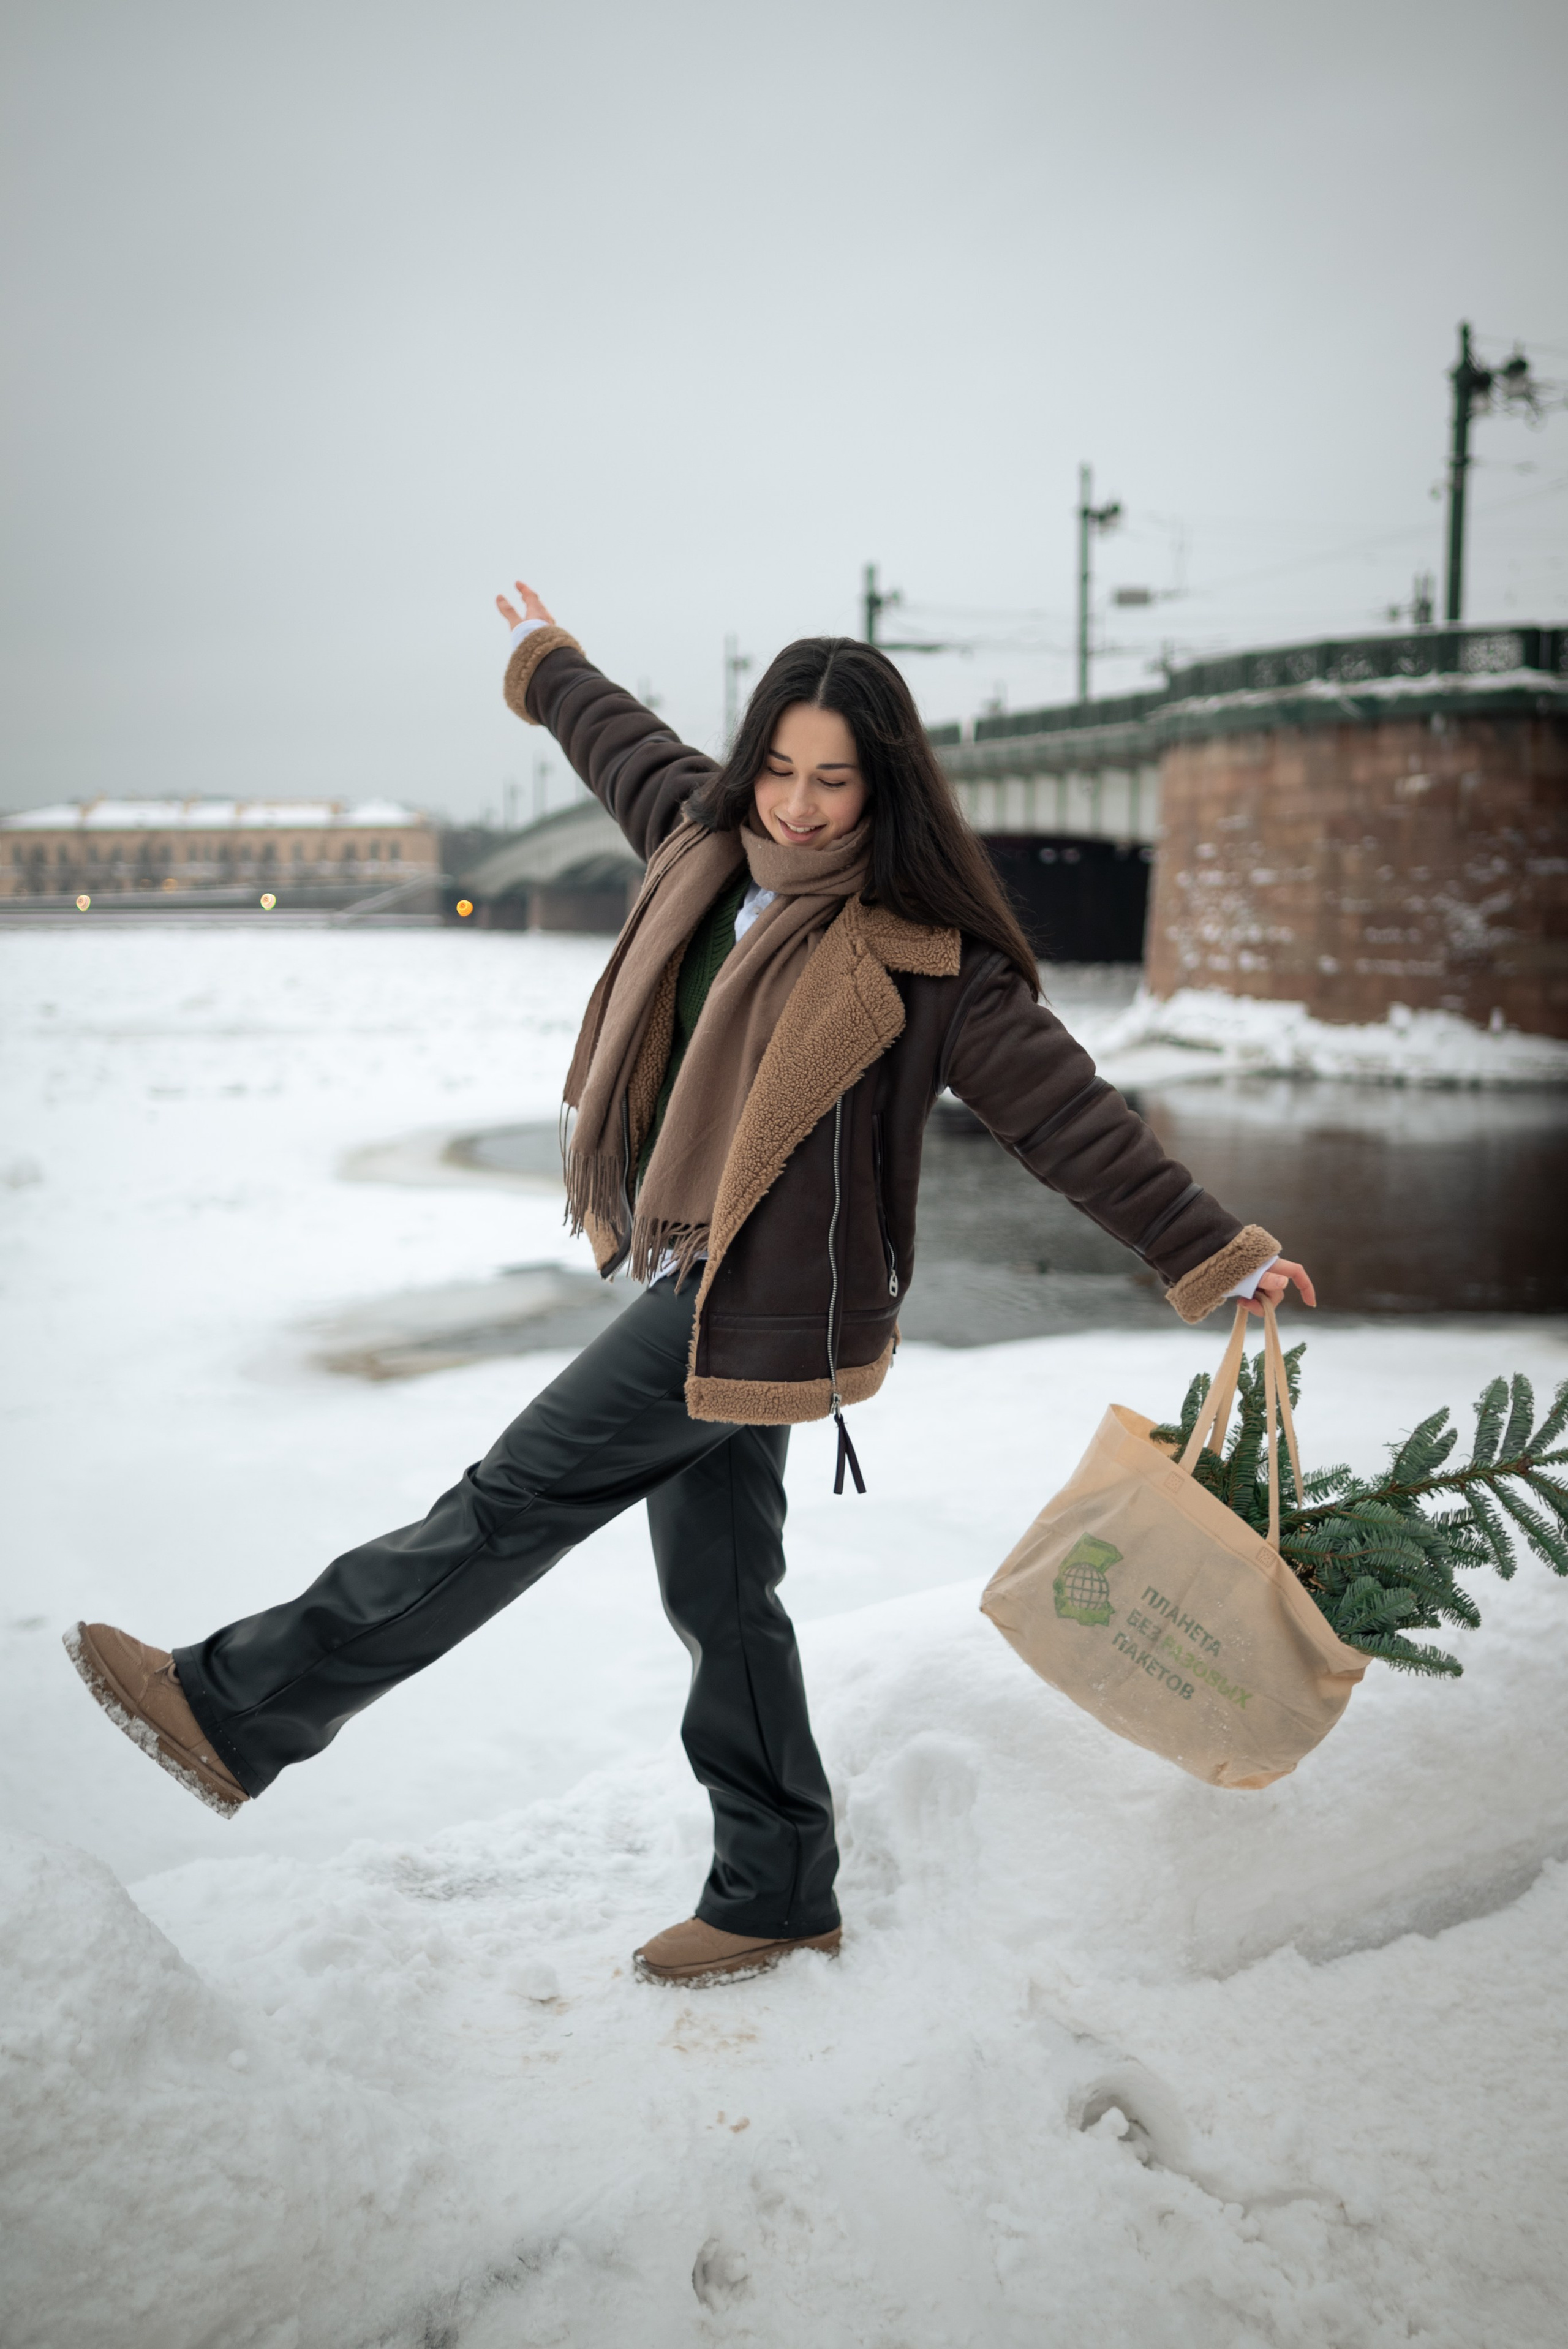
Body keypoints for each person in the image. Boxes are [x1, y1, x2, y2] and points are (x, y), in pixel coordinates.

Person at [66, 584, 1314, 1987]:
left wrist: (1211, 1248)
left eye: (831, 780)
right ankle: (777, 1886)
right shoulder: (701, 845)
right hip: (700, 1271)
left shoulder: (926, 959)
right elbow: (619, 739)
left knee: (506, 1502)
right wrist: (551, 666)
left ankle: (237, 1706)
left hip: (766, 1307)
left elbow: (1067, 1116)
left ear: (882, 784)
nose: (795, 806)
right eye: (776, 768)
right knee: (725, 1595)